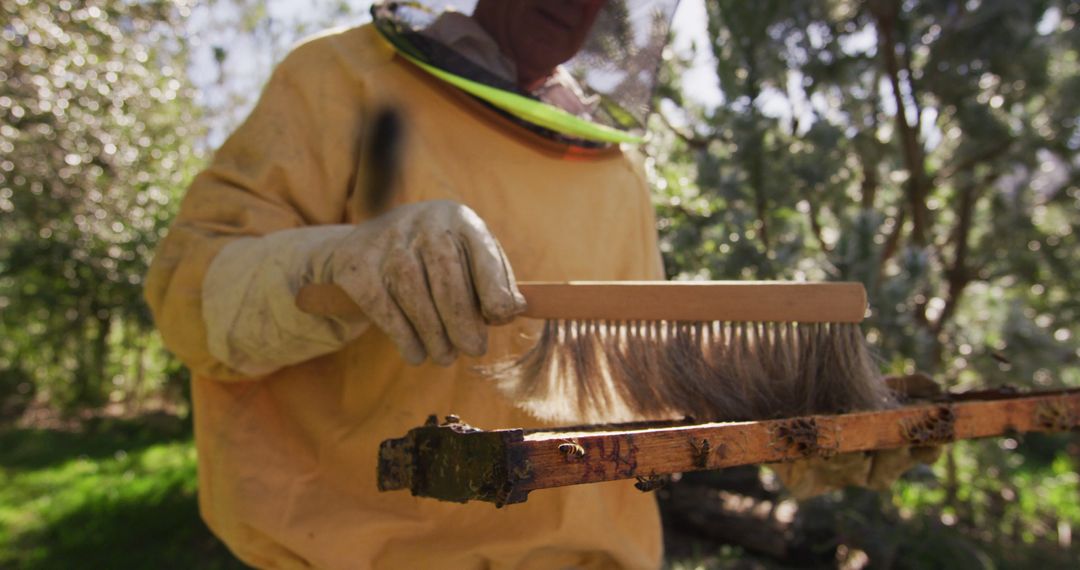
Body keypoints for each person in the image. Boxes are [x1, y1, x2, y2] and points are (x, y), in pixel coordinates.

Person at [146, 0, 679, 567]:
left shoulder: (620, 172)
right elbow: (188, 299)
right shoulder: (341, 77)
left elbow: (651, 372)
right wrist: (330, 263)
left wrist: (774, 404)